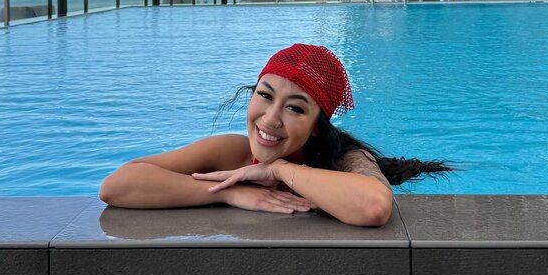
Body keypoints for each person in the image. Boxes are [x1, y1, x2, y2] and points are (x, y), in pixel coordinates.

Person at [99, 43, 454, 227]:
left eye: (295, 108)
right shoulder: (231, 152)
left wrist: (280, 170)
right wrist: (231, 194)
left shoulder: (346, 160)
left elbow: (374, 206)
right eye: (265, 96)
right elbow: (117, 185)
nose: (270, 119)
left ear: (317, 127)